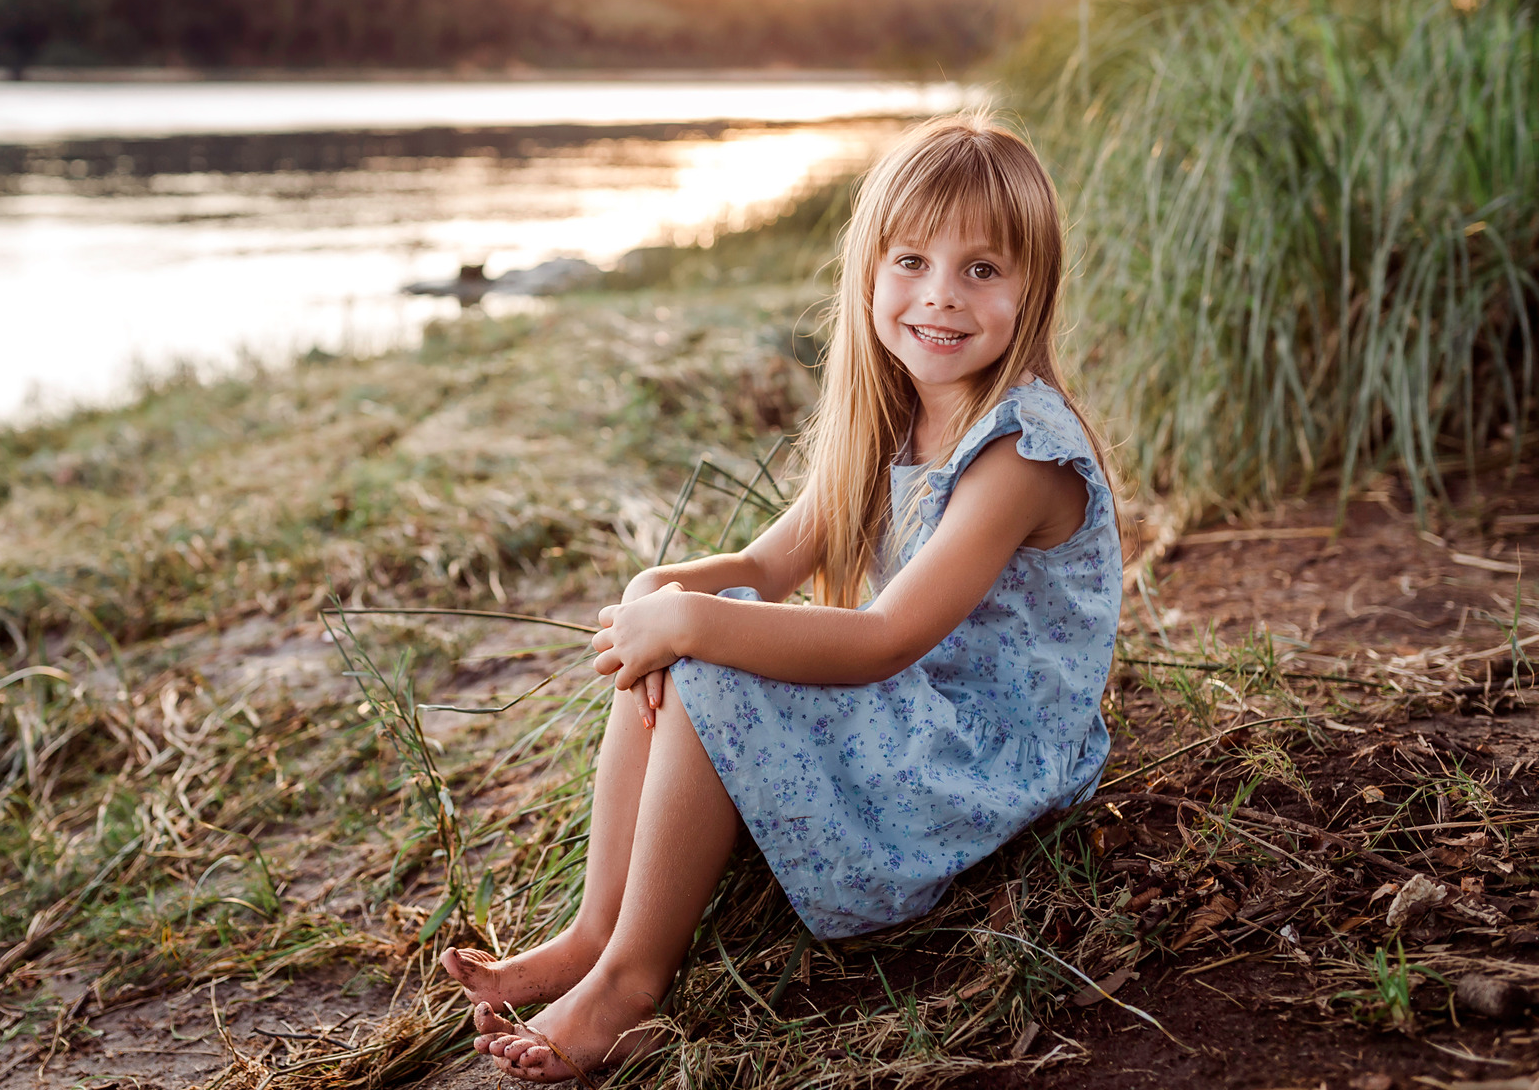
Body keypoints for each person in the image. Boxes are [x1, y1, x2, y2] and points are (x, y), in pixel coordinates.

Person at [443, 114, 1123, 1083]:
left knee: (708, 659)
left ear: (1033, 288)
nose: (941, 293)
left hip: (988, 756)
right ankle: (595, 930)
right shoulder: (892, 420)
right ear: (869, 274)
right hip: (922, 712)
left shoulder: (1020, 452)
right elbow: (765, 567)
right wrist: (658, 589)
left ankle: (630, 987)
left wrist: (689, 622)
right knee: (681, 634)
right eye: (912, 260)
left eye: (982, 269)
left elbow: (885, 637)